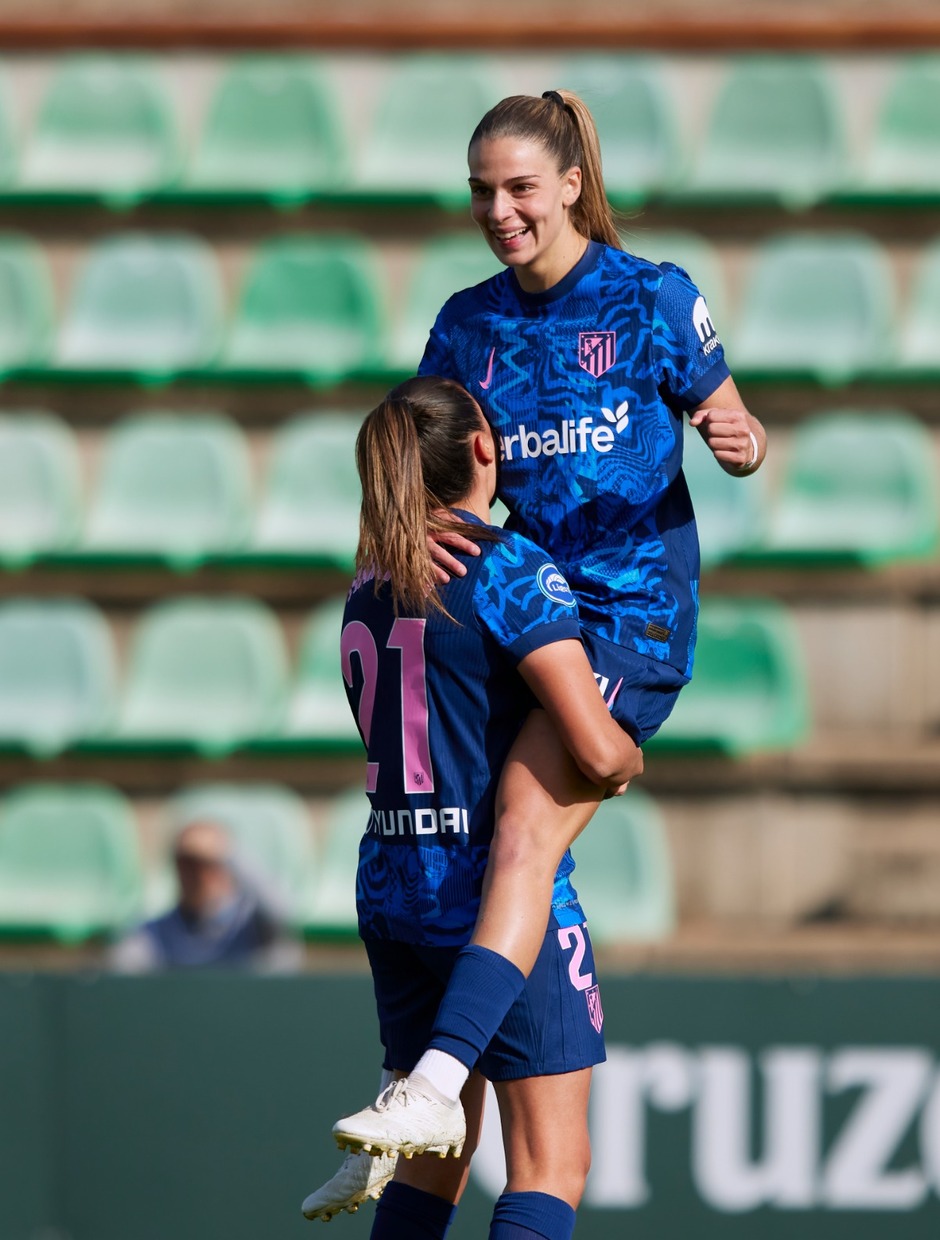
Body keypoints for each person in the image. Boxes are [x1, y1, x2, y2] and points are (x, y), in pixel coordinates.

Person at [311, 87, 767, 1224]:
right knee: (480, 857)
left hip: (616, 624)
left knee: (518, 827)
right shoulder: (466, 323)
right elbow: (421, 450)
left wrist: (738, 439)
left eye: (519, 188)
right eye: (481, 192)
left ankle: (424, 1085)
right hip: (505, 619)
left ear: (570, 184)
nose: (499, 211)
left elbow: (739, 428)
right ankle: (424, 1102)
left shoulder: (652, 298)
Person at [305, 375, 641, 1239]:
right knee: (551, 1164)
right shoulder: (507, 569)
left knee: (434, 1153)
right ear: (485, 449)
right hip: (492, 896)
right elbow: (598, 751)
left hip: (391, 883)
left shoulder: (370, 580)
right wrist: (630, 746)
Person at [110, 818, 302, 972]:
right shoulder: (157, 933)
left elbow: (285, 913)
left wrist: (227, 851)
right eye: (186, 865)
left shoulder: (253, 924)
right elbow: (124, 969)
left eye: (207, 864)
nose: (197, 875)